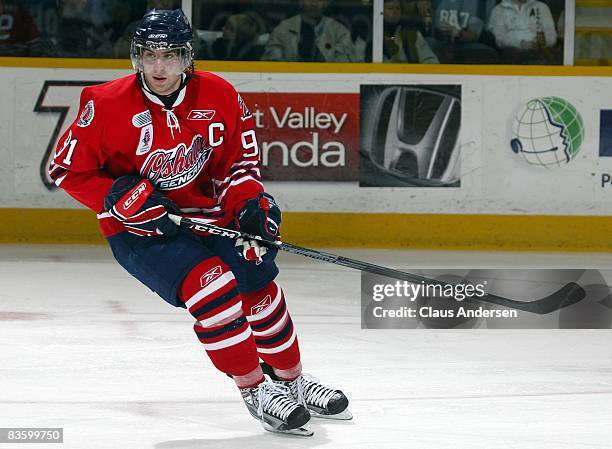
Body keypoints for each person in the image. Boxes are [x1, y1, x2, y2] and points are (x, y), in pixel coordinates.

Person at [48, 9, 351, 436]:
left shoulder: (219, 94)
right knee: (213, 285)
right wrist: (116, 195)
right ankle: (254, 388)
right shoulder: (104, 103)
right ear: (136, 57)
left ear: (187, 56)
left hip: (211, 216)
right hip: (140, 230)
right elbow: (65, 170)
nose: (158, 67)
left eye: (169, 55)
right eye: (149, 55)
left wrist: (250, 207)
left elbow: (239, 165)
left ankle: (293, 381)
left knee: (258, 282)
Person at [261, 0, 355, 62]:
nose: (314, 4)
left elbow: (347, 67)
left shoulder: (339, 32)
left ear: (326, 3)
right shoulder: (282, 30)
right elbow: (271, 64)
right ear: (300, 1)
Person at [487, 0, 558, 64]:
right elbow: (499, 39)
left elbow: (552, 36)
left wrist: (544, 41)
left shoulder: (542, 7)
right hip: (513, 54)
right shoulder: (498, 10)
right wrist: (521, 43)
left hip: (541, 52)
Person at [432, 0, 498, 63]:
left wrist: (458, 33)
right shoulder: (438, 2)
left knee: (484, 52)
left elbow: (475, 35)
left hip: (466, 45)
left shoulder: (478, 3)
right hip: (439, 42)